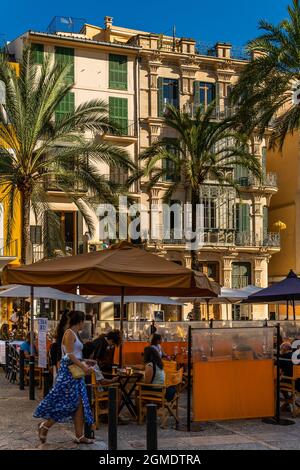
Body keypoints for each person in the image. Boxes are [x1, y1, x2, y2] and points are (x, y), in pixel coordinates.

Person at [34, 311, 95, 445]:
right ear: (79, 321)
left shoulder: (74, 334)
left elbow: (76, 355)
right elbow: (69, 355)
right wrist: (84, 366)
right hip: (69, 374)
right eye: (83, 321)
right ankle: (45, 426)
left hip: (75, 373)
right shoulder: (69, 333)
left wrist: (85, 361)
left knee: (78, 404)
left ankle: (80, 436)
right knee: (68, 404)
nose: (84, 324)